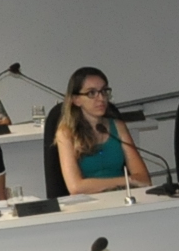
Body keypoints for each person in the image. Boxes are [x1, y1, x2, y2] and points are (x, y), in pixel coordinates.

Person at [54, 66, 150, 194]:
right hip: (90, 202)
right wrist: (127, 181)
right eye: (91, 93)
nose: (101, 98)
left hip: (122, 196)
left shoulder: (118, 126)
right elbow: (75, 187)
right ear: (76, 100)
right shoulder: (66, 133)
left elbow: (144, 179)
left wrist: (126, 183)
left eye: (104, 91)